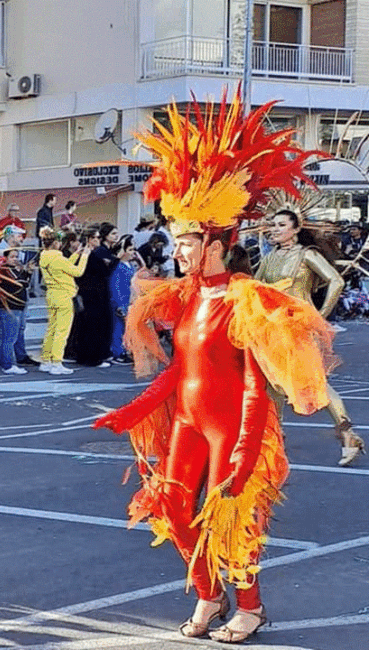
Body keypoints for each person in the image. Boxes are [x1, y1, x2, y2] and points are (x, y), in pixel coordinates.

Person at [94, 91, 332, 644]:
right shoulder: (187, 296)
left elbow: (253, 383)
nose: (177, 251)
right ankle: (208, 592)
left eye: (186, 241)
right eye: (176, 241)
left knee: (233, 518)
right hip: (189, 420)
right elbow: (181, 370)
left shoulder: (247, 299)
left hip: (234, 425)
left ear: (217, 241)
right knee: (174, 508)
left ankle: (248, 608)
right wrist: (132, 411)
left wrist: (247, 451)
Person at [256, 208, 363, 466]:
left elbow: (336, 282)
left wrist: (319, 316)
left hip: (301, 329)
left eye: (281, 224)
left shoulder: (307, 255)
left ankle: (348, 435)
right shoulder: (269, 259)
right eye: (273, 224)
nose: (275, 229)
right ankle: (275, 438)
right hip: (274, 329)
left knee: (315, 383)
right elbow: (254, 288)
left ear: (296, 228)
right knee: (273, 384)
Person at [38, 227, 90, 374]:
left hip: (52, 295)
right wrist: (84, 256)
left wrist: (76, 255)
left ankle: (47, 360)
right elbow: (77, 271)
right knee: (62, 331)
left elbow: (65, 265)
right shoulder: (58, 258)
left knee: (52, 329)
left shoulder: (45, 256)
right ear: (55, 243)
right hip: (64, 296)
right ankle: (56, 362)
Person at [71, 223, 118, 367]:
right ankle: (92, 358)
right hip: (92, 294)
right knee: (92, 326)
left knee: (89, 326)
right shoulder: (90, 254)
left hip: (91, 292)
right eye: (96, 237)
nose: (98, 240)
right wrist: (115, 260)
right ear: (90, 239)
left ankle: (88, 355)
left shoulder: (89, 253)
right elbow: (103, 271)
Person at [0, 249, 28, 375]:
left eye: (17, 256)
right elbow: (20, 283)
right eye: (12, 256)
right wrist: (25, 272)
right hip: (10, 307)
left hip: (15, 306)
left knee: (5, 335)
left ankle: (2, 359)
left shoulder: (13, 270)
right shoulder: (6, 270)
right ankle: (7, 364)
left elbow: (24, 282)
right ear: (5, 258)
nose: (15, 259)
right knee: (9, 337)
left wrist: (25, 272)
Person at [108, 234, 136, 365]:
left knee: (126, 329)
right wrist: (118, 303)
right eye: (130, 249)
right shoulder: (118, 266)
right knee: (118, 328)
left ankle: (125, 350)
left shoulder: (130, 265)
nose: (133, 253)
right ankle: (117, 352)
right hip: (121, 301)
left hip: (130, 300)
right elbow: (115, 286)